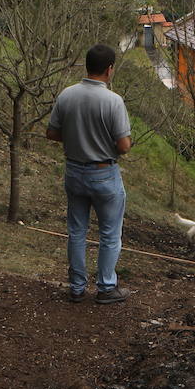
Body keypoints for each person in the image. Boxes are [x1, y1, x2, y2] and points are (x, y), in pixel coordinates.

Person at [46, 43, 133, 304]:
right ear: (109, 70)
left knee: (76, 231)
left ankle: (76, 287)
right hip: (104, 174)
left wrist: (76, 138)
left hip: (74, 172)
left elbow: (51, 133)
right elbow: (124, 146)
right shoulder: (113, 101)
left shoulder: (66, 95)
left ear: (87, 66)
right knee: (109, 233)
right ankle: (106, 288)